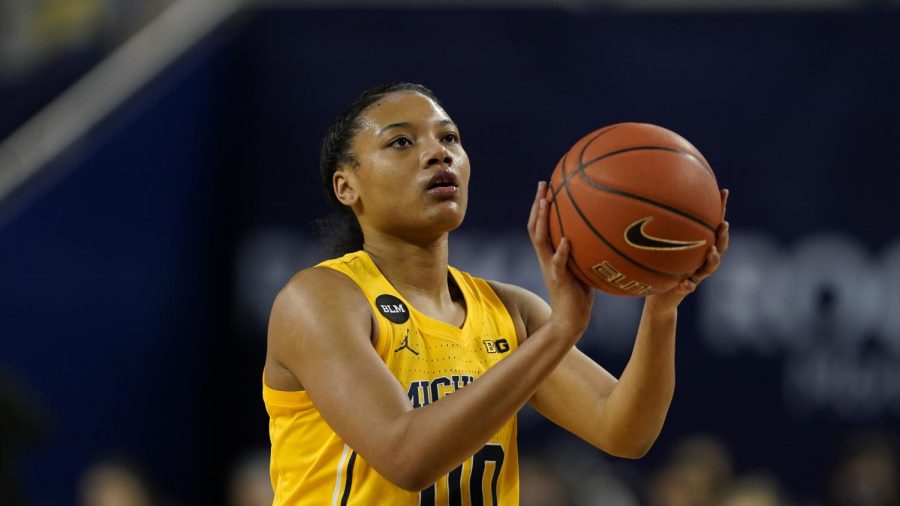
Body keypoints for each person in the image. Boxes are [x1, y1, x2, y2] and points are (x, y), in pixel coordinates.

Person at [262, 82, 730, 505]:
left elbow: (624, 431)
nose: (437, 154)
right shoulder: (320, 297)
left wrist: (661, 306)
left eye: (449, 138)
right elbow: (407, 458)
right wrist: (561, 331)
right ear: (347, 186)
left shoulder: (508, 310)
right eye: (401, 141)